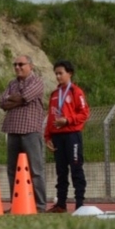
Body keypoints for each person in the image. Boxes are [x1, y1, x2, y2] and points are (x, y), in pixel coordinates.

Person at [0, 54, 47, 213]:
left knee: (35, 170)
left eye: (21, 64)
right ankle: (17, 204)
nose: (17, 67)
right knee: (12, 170)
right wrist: (15, 100)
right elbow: (2, 102)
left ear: (30, 66)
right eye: (15, 65)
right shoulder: (12, 83)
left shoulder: (37, 82)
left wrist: (13, 100)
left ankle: (40, 206)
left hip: (30, 131)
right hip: (13, 130)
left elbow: (23, 97)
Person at [44, 60, 90, 213]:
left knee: (76, 169)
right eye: (56, 74)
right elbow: (50, 117)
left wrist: (68, 120)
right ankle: (61, 204)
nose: (58, 77)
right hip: (57, 137)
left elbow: (84, 113)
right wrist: (47, 136)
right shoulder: (54, 94)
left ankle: (79, 204)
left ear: (69, 73)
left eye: (60, 73)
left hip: (72, 136)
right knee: (61, 171)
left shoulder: (76, 92)